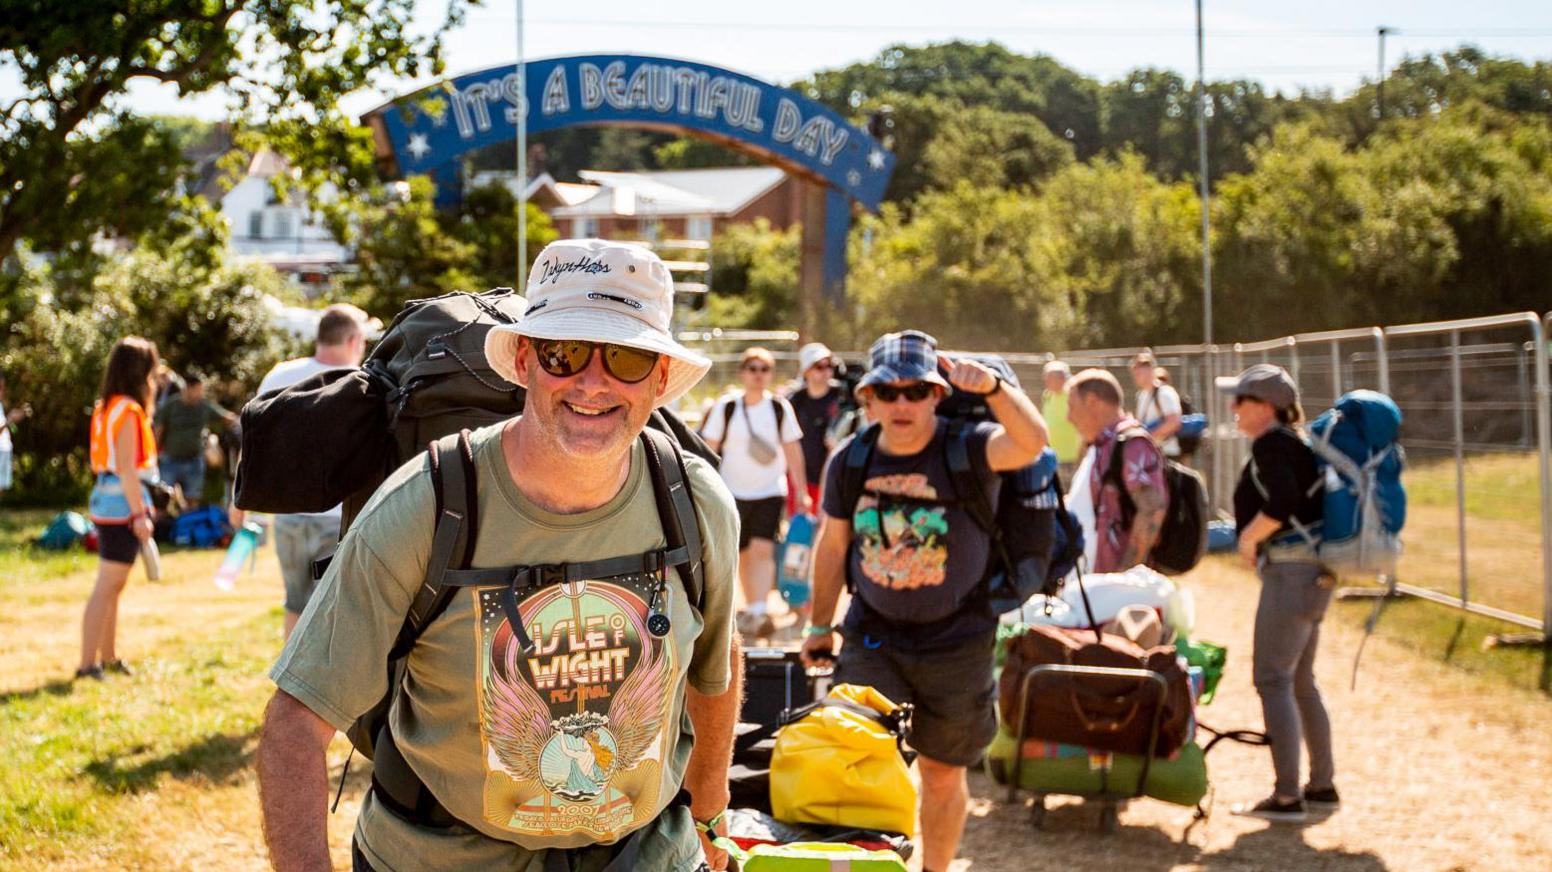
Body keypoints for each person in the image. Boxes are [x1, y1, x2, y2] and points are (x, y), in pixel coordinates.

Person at [255, 239, 741, 872]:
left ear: (659, 377)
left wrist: (709, 811)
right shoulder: (426, 505)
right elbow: (296, 721)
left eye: (624, 356)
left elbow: (715, 659)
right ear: (523, 358)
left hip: (643, 856)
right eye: (564, 352)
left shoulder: (695, 501)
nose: (592, 382)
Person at [800, 330, 1047, 872]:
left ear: (937, 394)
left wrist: (997, 389)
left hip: (958, 640)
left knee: (940, 771)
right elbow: (833, 544)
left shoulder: (969, 446)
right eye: (888, 393)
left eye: (916, 391)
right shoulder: (851, 460)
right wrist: (818, 625)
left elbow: (1031, 443)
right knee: (857, 758)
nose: (902, 404)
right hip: (874, 635)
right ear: (867, 398)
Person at [1218, 364, 1336, 824]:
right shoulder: (1295, 444)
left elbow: (1282, 502)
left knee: (1273, 680)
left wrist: (1248, 538)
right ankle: (1321, 786)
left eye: (1242, 400)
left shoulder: (1272, 444)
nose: (1234, 408)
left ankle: (1288, 796)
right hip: (1312, 576)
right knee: (1301, 682)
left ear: (1265, 407)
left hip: (1291, 575)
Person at [236, 303, 370, 641]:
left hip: (288, 515)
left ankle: (290, 684)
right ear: (353, 340)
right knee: (333, 607)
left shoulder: (279, 375)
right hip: (338, 515)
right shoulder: (360, 383)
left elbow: (254, 441)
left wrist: (238, 501)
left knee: (295, 604)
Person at [700, 346, 809, 641]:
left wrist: (801, 489)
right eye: (753, 369)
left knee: (762, 550)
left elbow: (792, 449)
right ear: (742, 373)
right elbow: (708, 448)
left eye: (764, 369)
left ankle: (759, 610)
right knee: (739, 553)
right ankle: (743, 608)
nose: (758, 375)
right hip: (730, 492)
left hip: (769, 491)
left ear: (770, 374)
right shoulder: (727, 406)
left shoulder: (778, 408)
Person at [77, 337, 161, 681]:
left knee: (113, 585)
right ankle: (87, 665)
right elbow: (128, 469)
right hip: (122, 504)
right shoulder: (128, 411)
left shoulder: (106, 406)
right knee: (107, 585)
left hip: (106, 498)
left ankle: (107, 656)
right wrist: (140, 514)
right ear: (140, 372)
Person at [1066, 368, 1168, 572]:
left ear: (1092, 402)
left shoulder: (1131, 443)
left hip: (1115, 588)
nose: (1069, 417)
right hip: (1093, 581)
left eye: (1071, 407)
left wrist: (1125, 575)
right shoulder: (1102, 444)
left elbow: (1152, 508)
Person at [153, 373, 237, 506]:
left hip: (194, 461)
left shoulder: (203, 406)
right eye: (197, 390)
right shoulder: (172, 405)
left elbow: (225, 416)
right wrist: (154, 454)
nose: (200, 394)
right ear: (187, 388)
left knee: (192, 501)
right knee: (162, 499)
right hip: (170, 460)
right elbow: (159, 430)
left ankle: (188, 524)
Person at [784, 342, 846, 512]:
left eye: (829, 365)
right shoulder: (796, 400)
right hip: (802, 478)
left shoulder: (842, 397)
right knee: (801, 533)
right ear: (806, 371)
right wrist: (800, 488)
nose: (826, 370)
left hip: (834, 478)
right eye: (819, 366)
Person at [1131, 352, 1183, 458]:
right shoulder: (1141, 395)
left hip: (1166, 453)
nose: (1136, 377)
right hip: (1149, 454)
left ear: (1150, 371)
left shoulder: (1165, 392)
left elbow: (1174, 422)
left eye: (1139, 373)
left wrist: (1149, 437)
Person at [1040, 360, 1081, 484]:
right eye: (1045, 377)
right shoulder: (1047, 396)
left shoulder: (1074, 395)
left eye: (1050, 377)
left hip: (1071, 457)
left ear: (1062, 378)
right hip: (1051, 457)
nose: (1045, 381)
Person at [0, 373, 31, 500]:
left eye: (2, 387)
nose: (2, 391)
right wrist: (9, 420)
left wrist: (13, 419)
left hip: (4, 450)